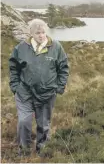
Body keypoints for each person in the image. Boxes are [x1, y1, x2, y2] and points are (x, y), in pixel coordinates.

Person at [9, 19, 69, 156]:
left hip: (47, 94)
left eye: (43, 32)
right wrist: (15, 87)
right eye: (37, 33)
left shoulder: (56, 47)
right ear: (31, 34)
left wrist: (59, 87)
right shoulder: (21, 48)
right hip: (25, 93)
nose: (41, 35)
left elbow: (64, 68)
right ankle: (24, 152)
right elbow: (13, 68)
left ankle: (43, 151)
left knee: (43, 124)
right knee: (24, 121)